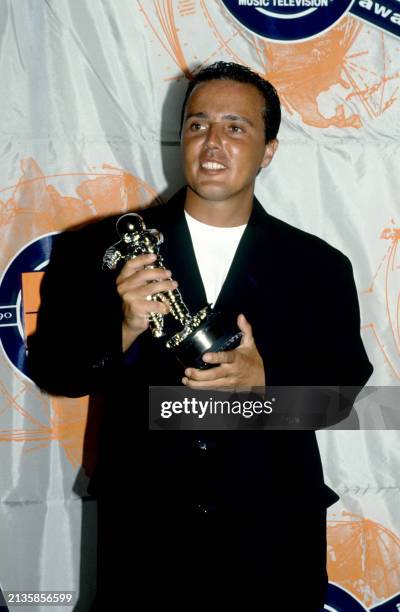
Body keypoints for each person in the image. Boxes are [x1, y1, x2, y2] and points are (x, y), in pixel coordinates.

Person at [28, 62, 373, 611]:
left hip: (272, 542)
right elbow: (54, 370)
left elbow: (343, 396)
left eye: (237, 127)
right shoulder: (96, 251)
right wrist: (122, 328)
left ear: (268, 150)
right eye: (198, 125)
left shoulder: (318, 266)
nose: (213, 142)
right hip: (145, 546)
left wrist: (269, 382)